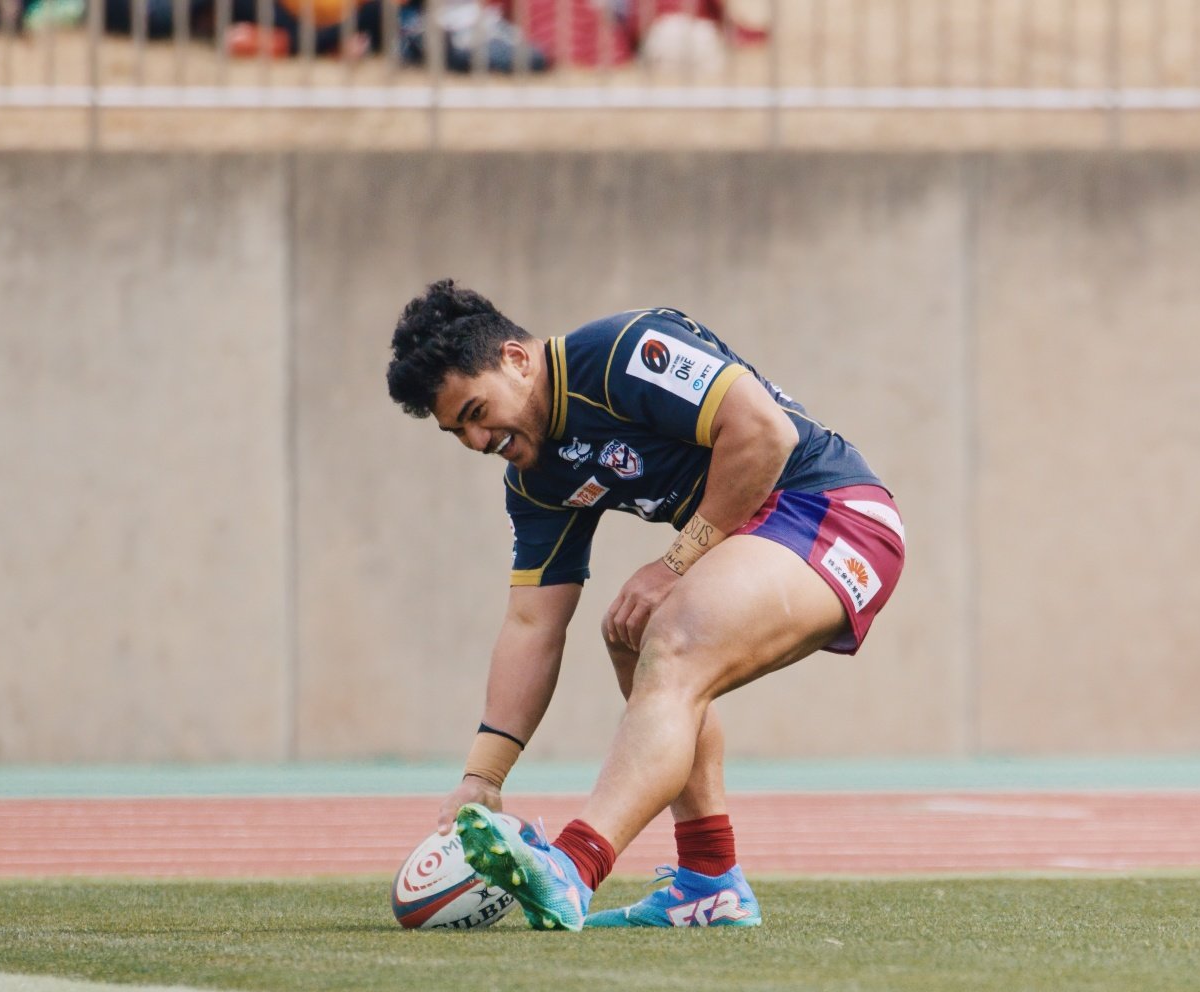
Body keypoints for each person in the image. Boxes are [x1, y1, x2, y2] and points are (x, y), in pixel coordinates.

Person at [385, 281, 905, 931]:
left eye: (476, 411)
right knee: (632, 633)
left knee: (673, 636)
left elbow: (763, 432)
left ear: (516, 360)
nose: (475, 439)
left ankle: (572, 867)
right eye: (457, 430)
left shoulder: (622, 351)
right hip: (762, 531)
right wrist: (482, 778)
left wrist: (674, 564)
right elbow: (531, 623)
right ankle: (709, 882)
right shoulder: (537, 479)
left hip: (834, 514)